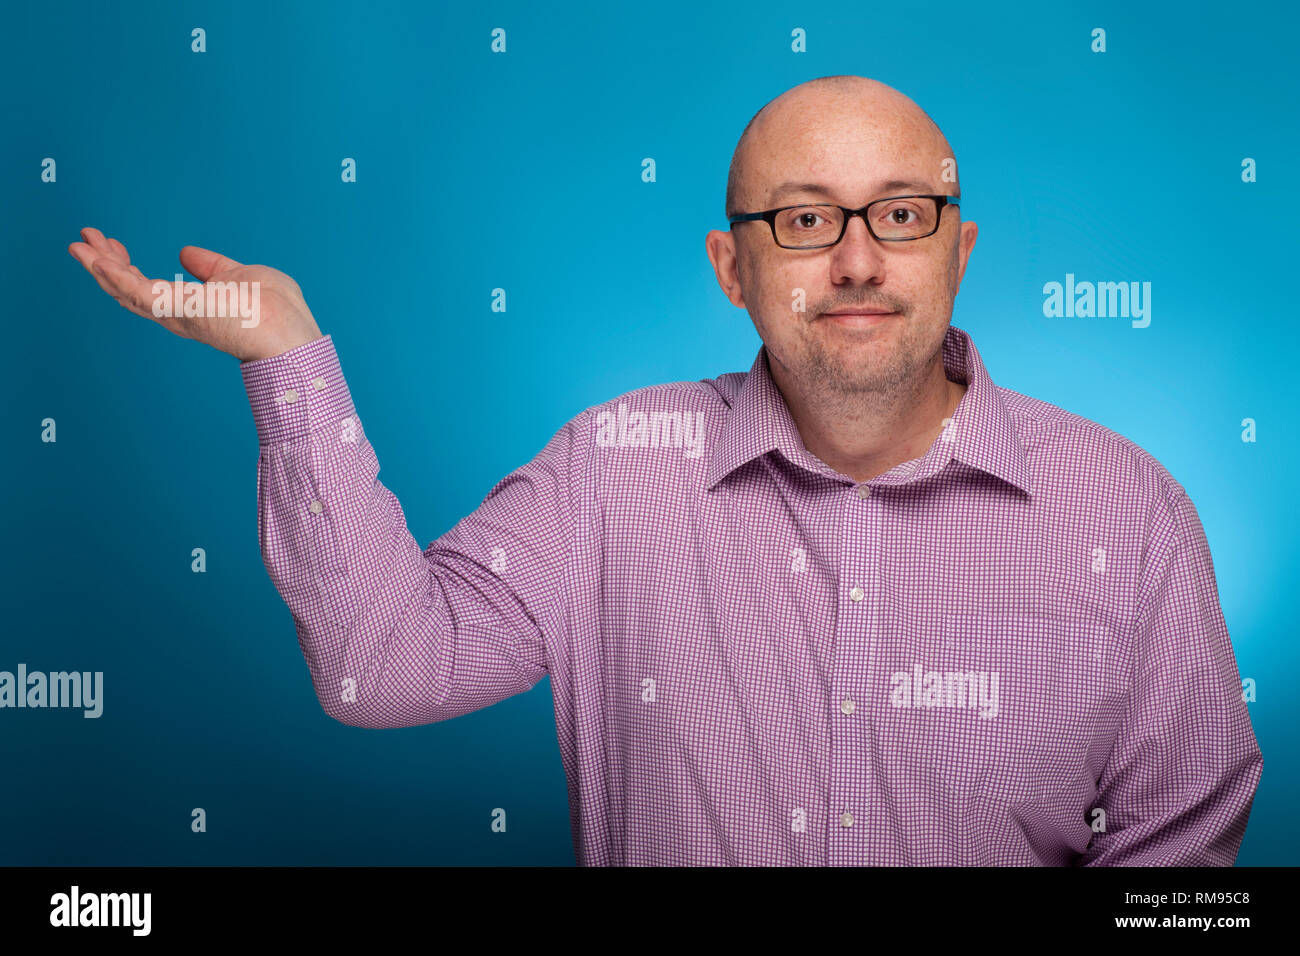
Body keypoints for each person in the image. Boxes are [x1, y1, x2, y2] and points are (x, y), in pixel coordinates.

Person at [68, 74, 1261, 866]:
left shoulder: (1128, 509)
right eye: (801, 221)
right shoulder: (610, 470)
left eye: (899, 214)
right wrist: (291, 358)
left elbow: (1178, 867)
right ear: (729, 268)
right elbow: (383, 666)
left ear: (958, 249)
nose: (854, 259)